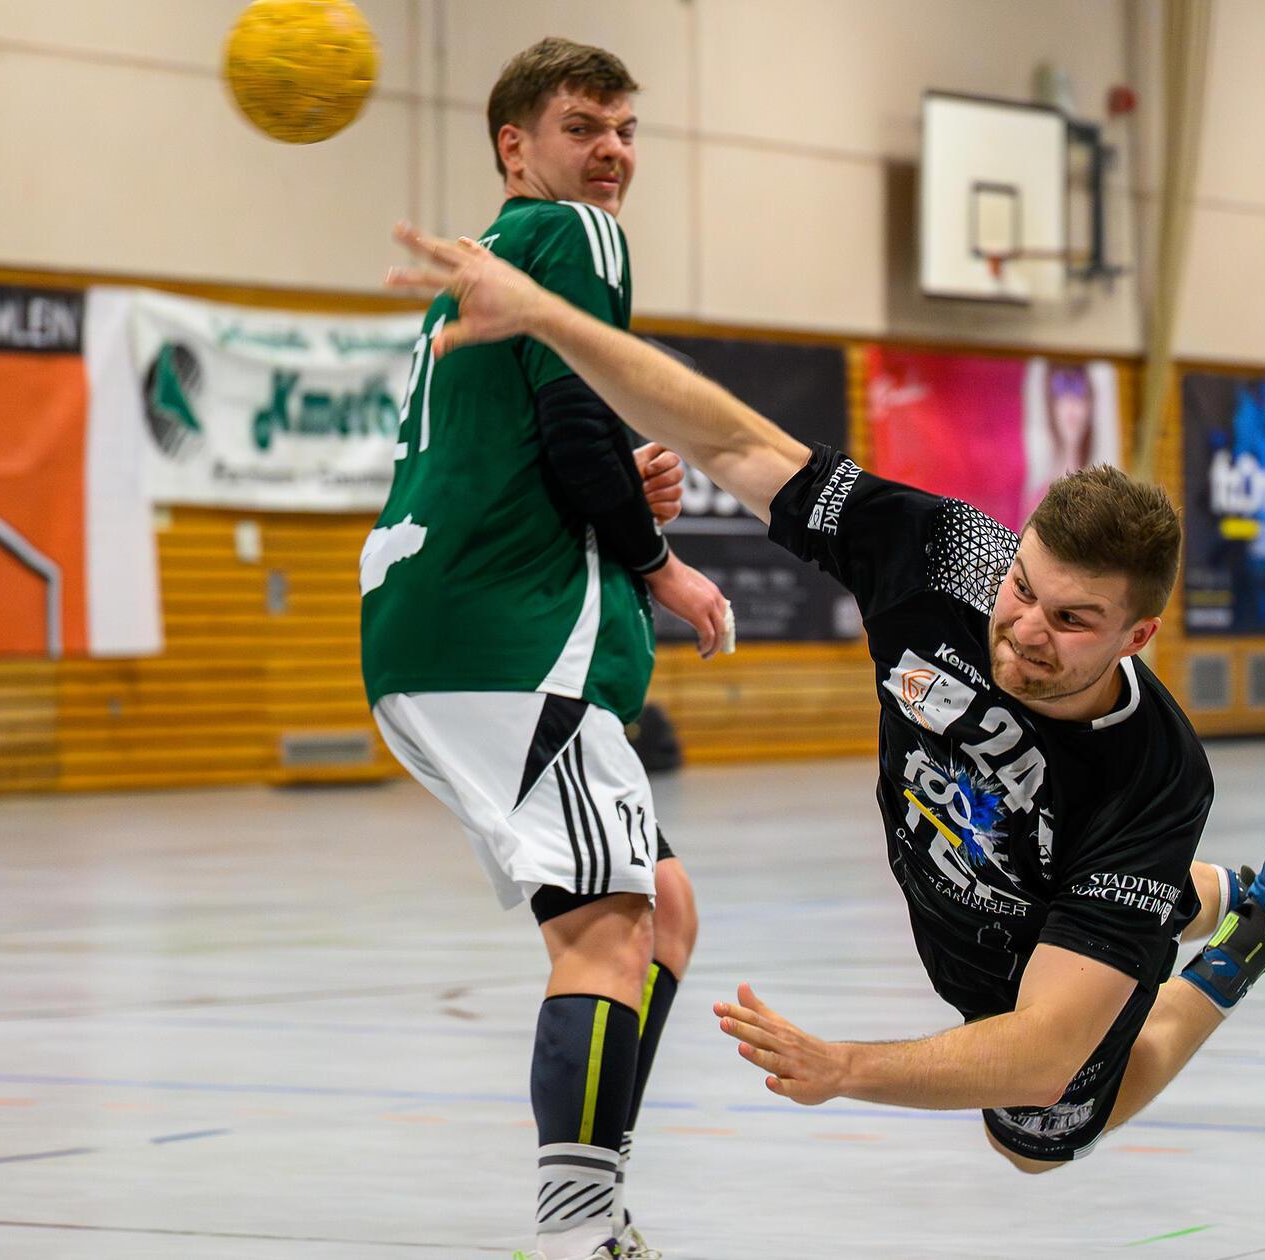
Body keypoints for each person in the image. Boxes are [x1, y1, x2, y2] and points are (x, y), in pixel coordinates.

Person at [380, 222, 1265, 1179]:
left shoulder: (1152, 774)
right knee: (1095, 906)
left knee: (1040, 1133)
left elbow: (1045, 1049)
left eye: (1069, 623)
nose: (1020, 629)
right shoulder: (944, 553)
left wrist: (846, 1068)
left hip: (1033, 945)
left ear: (1135, 636)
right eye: (1025, 587)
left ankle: (1261, 928)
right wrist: (548, 317)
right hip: (1018, 883)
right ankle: (1258, 884)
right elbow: (736, 443)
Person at [356, 38, 728, 1260]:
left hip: (440, 632)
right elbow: (571, 414)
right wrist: (655, 561)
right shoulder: (568, 239)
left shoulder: (480, 276)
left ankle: (596, 1189)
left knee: (658, 908)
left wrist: (609, 483)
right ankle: (576, 1231)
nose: (611, 151)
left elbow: (528, 448)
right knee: (605, 928)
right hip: (511, 645)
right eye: (583, 126)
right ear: (516, 148)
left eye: (625, 128)